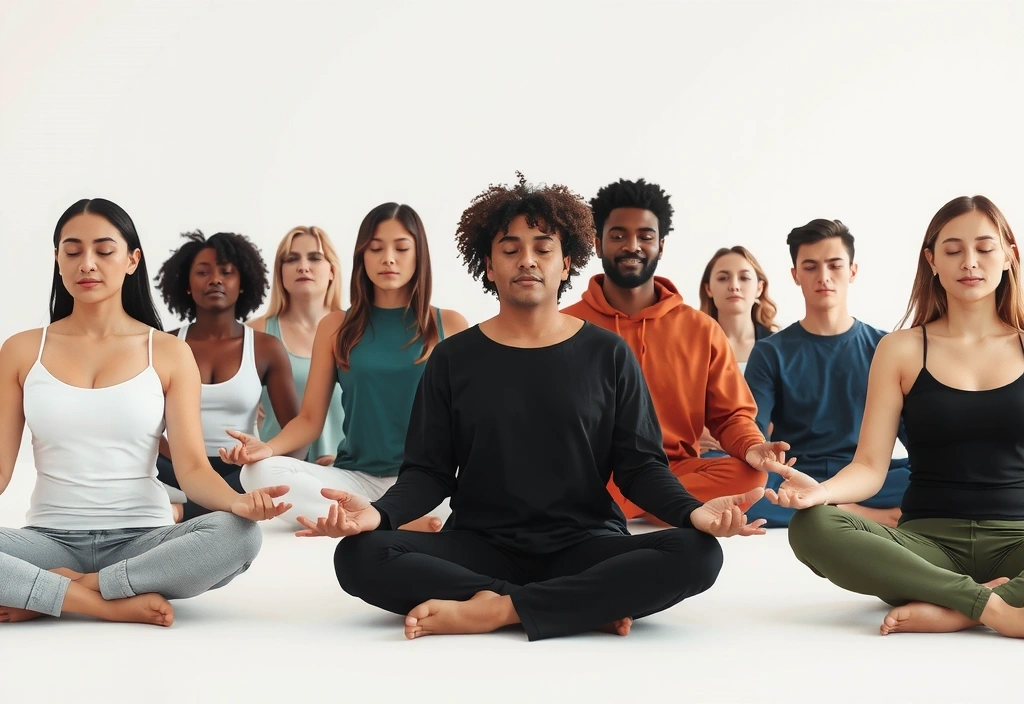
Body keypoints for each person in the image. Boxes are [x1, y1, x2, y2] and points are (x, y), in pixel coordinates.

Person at [272, 175, 775, 642]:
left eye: (542, 248)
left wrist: (691, 512)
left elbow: (642, 468)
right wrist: (378, 516)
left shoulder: (608, 354)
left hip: (585, 543)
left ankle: (496, 608)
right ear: (489, 266)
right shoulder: (453, 357)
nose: (527, 261)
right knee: (359, 555)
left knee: (697, 553)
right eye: (510, 250)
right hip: (480, 543)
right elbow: (428, 472)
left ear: (568, 262)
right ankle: (575, 606)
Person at [0, 199, 288, 626]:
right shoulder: (22, 350)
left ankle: (66, 589)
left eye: (104, 249)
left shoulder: (169, 352)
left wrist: (239, 504)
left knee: (239, 536)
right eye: (73, 250)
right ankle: (99, 601)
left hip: (145, 540)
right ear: (57, 259)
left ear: (133, 260)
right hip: (49, 540)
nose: (87, 264)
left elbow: (190, 468)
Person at [776, 196, 1024, 638]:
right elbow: (871, 466)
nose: (969, 262)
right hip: (924, 546)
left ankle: (955, 607)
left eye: (985, 248)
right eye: (952, 250)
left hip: (1019, 540)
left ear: (1009, 255)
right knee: (813, 525)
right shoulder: (901, 349)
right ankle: (992, 606)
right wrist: (822, 492)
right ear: (931, 261)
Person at [221, 204, 467, 531]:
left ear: (419, 254)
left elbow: (468, 420)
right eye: (376, 249)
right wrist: (266, 448)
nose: (388, 258)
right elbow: (309, 419)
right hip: (358, 479)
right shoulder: (337, 326)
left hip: (426, 483)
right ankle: (388, 519)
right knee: (256, 472)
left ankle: (381, 516)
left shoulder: (448, 324)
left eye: (402, 248)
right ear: (361, 257)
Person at [562, 178, 786, 521]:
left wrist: (752, 446)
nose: (632, 245)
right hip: (593, 473)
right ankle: (658, 508)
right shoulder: (564, 325)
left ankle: (613, 511)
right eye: (618, 235)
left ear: (661, 245)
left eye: (645, 236)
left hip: (673, 472)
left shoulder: (700, 329)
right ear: (597, 243)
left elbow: (731, 416)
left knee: (751, 474)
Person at [744, 219, 910, 528]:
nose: (824, 277)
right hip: (798, 473)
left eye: (835, 265)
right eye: (810, 267)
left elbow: (912, 433)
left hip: (868, 476)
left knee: (943, 474)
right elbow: (754, 433)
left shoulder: (886, 347)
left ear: (852, 271)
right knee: (729, 481)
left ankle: (821, 506)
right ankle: (851, 513)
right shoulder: (770, 352)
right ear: (795, 275)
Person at [153, 230, 303, 522]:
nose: (215, 279)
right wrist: (185, 463)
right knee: (132, 460)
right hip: (177, 467)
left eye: (227, 272)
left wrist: (279, 465)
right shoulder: (164, 345)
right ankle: (223, 502)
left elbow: (296, 431)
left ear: (242, 283)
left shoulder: (266, 348)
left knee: (270, 470)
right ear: (186, 284)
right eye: (203, 272)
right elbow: (146, 426)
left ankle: (184, 510)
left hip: (243, 471)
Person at [249, 226, 345, 466]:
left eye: (315, 257)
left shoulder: (356, 331)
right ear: (280, 272)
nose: (303, 266)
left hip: (349, 470)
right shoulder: (254, 334)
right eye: (292, 259)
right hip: (277, 468)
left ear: (332, 270)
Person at [697, 245, 779, 457]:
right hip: (705, 454)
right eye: (723, 278)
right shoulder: (690, 346)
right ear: (708, 288)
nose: (734, 286)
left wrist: (739, 439)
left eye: (744, 278)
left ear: (760, 288)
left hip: (765, 455)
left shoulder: (781, 348)